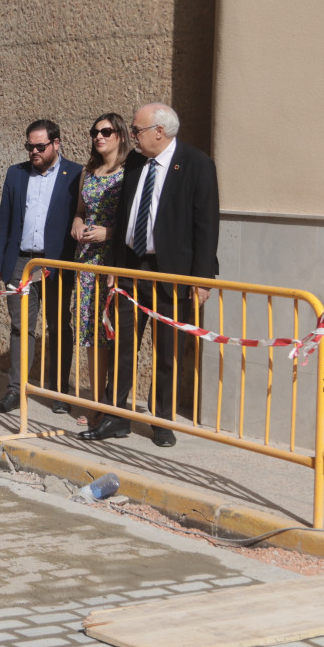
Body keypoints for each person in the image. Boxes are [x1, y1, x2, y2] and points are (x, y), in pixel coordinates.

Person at [79, 103, 219, 448]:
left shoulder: (197, 164)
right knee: (122, 344)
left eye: (137, 130)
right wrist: (114, 268)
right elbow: (126, 216)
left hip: (170, 272)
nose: (131, 136)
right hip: (130, 268)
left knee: (166, 350)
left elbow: (207, 225)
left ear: (160, 131)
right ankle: (116, 416)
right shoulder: (137, 163)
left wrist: (201, 278)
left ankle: (161, 420)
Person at [0, 119, 83, 414]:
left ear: (57, 143)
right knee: (20, 327)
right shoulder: (16, 174)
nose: (34, 151)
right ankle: (16, 390)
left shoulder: (76, 174)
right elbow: (4, 219)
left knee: (58, 326)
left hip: (55, 261)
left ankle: (59, 392)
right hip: (20, 261)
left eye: (40, 146)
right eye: (29, 146)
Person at [66, 113, 132, 426]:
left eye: (106, 131)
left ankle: (112, 403)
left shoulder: (130, 172)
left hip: (115, 260)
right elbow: (80, 211)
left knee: (114, 331)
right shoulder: (88, 171)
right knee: (91, 332)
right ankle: (94, 402)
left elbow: (136, 220)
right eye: (95, 132)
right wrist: (77, 225)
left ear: (120, 135)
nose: (98, 137)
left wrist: (108, 232)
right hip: (87, 262)